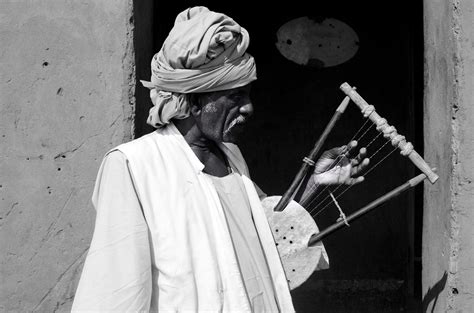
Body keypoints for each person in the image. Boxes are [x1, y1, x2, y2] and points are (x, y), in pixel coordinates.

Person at [71, 6, 369, 312]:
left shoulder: (232, 158)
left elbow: (265, 239)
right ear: (195, 100)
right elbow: (117, 290)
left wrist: (315, 183)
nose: (249, 108)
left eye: (248, 95)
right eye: (236, 96)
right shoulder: (134, 166)